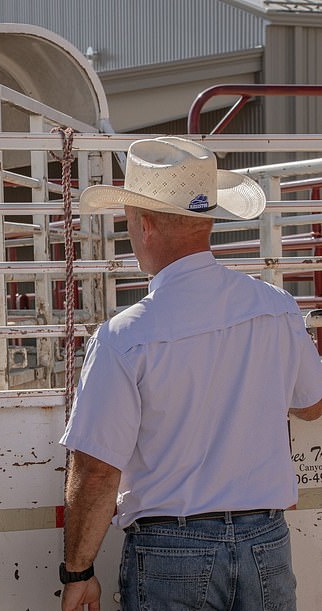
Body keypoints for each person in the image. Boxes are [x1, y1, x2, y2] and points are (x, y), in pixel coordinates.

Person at [59, 136, 322, 611]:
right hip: (264, 541)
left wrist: (77, 571)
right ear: (206, 221)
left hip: (171, 550)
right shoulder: (276, 310)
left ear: (145, 224)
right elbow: (311, 404)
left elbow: (97, 472)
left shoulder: (125, 337)